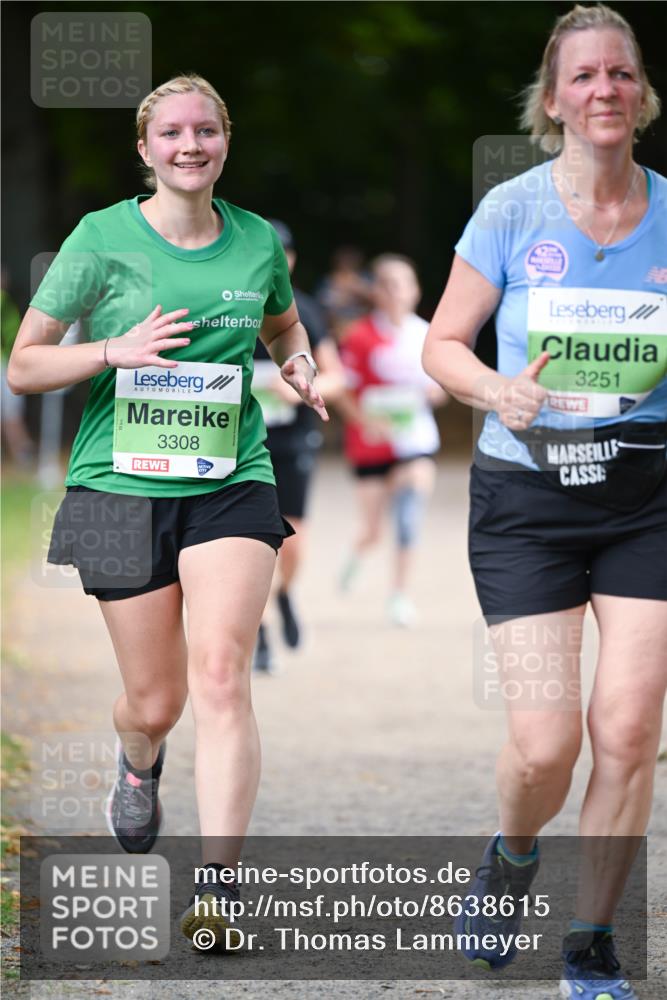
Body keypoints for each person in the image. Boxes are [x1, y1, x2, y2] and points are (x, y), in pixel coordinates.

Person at [7, 74, 327, 951]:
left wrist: (299, 363)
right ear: (146, 149)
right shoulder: (100, 238)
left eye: (207, 132)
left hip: (232, 478)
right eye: (173, 133)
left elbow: (283, 329)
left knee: (222, 674)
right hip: (118, 486)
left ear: (226, 141)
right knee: (156, 701)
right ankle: (137, 759)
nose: (191, 146)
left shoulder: (256, 239)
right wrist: (115, 348)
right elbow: (24, 367)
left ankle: (218, 891)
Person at [422, 5, 666, 999]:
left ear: (640, 93)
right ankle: (512, 852)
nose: (602, 90)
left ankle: (589, 940)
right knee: (545, 744)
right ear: (552, 98)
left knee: (629, 726)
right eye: (583, 77)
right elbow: (439, 344)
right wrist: (495, 387)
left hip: (646, 497)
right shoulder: (513, 210)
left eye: (619, 73)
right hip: (527, 497)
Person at [251, 219, 345, 673]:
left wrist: (299, 387)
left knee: (292, 540)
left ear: (290, 259)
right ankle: (258, 630)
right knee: (251, 543)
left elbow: (340, 376)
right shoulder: (227, 306)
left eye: (281, 253)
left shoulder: (303, 309)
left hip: (291, 439)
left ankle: (286, 594)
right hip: (238, 440)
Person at [339, 254, 446, 626]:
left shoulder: (428, 334)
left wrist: (436, 393)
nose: (395, 293)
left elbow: (442, 385)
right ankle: (358, 553)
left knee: (408, 516)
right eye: (386, 285)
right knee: (373, 529)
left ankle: (399, 595)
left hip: (415, 442)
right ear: (377, 292)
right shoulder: (360, 337)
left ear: (415, 291)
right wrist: (364, 420)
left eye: (402, 284)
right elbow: (343, 391)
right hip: (370, 444)